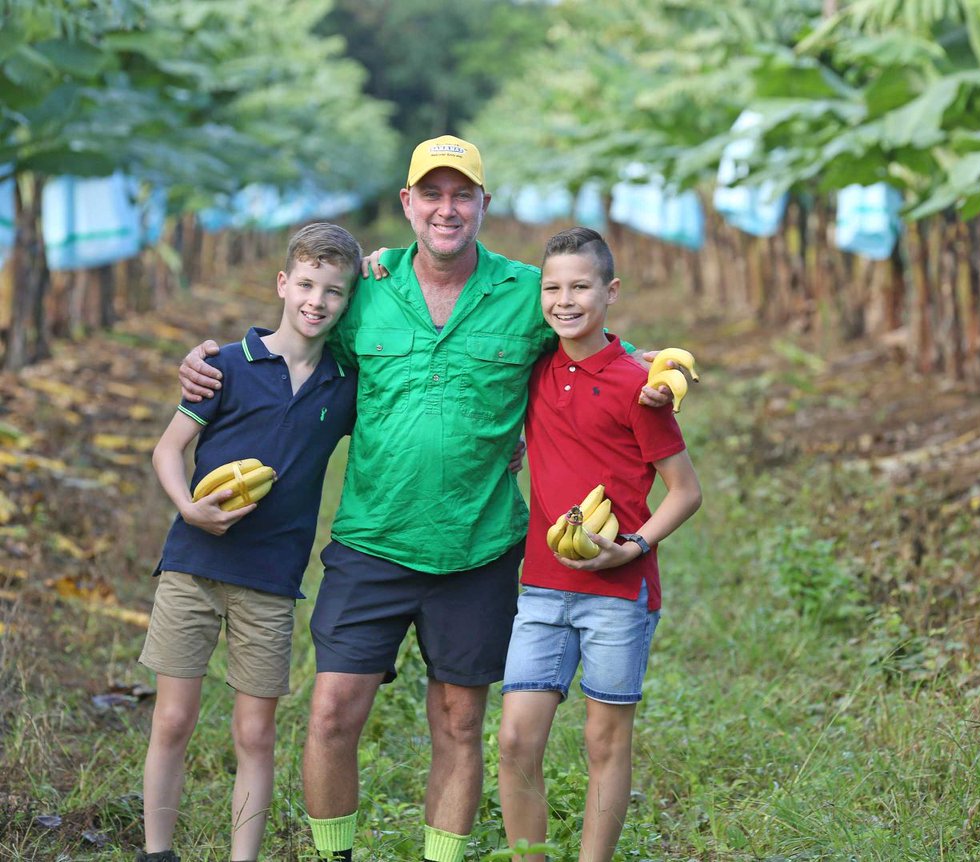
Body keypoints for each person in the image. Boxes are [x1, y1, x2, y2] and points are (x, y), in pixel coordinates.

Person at [177, 136, 673, 862]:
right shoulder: (366, 291)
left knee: (459, 722)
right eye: (431, 194)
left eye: (462, 194)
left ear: (483, 205)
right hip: (372, 539)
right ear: (407, 204)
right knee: (332, 714)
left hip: (477, 547)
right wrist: (209, 361)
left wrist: (662, 377)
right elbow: (295, 342)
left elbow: (596, 345)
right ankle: (335, 855)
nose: (448, 209)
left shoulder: (528, 293)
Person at [139, 223, 362, 862]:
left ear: (347, 303)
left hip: (271, 579)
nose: (317, 301)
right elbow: (168, 449)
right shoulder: (226, 366)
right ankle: (157, 851)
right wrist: (189, 509)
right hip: (193, 564)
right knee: (174, 720)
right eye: (307, 285)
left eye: (334, 292)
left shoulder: (343, 387)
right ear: (282, 284)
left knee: (255, 733)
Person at [497, 227, 702, 862]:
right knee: (514, 741)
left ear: (610, 292)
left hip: (619, 591)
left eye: (581, 287)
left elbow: (685, 491)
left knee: (605, 741)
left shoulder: (640, 386)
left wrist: (634, 546)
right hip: (542, 585)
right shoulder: (535, 367)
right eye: (552, 288)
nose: (565, 300)